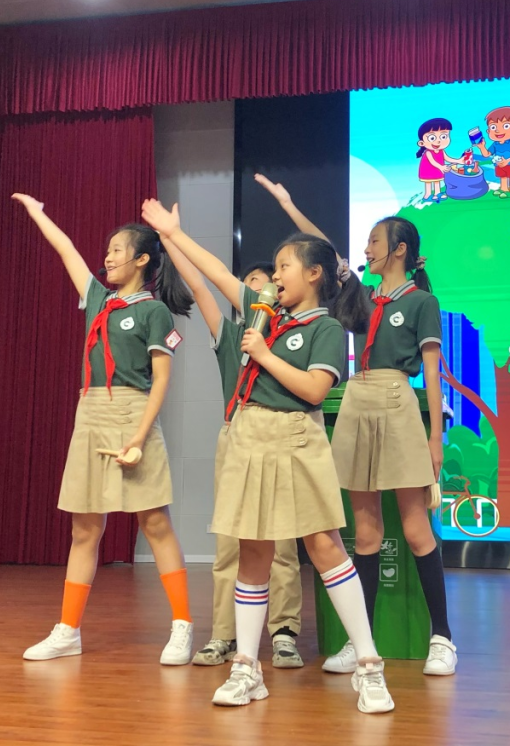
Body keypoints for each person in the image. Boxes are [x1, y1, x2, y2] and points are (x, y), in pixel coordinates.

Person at [141, 197, 394, 714]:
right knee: (252, 552)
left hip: (297, 438)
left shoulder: (325, 328)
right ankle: (246, 668)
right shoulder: (263, 315)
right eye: (274, 269)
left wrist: (262, 355)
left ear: (315, 274)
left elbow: (314, 389)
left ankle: (369, 665)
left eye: (284, 267)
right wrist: (172, 234)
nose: (274, 277)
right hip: (248, 437)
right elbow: (214, 274)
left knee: (324, 546)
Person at [12, 193, 195, 666]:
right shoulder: (97, 298)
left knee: (155, 523)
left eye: (117, 250)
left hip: (134, 414)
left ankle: (181, 626)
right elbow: (66, 250)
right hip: (90, 414)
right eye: (107, 250)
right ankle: (68, 630)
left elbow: (162, 380)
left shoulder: (154, 311)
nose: (108, 257)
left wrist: (140, 435)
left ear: (141, 259)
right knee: (84, 529)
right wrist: (38, 214)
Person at [159, 242, 305, 670]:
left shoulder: (289, 334)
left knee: (282, 543)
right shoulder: (229, 335)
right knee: (229, 542)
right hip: (235, 434)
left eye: (263, 283)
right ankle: (224, 633)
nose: (255, 290)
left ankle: (284, 632)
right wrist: (170, 238)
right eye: (248, 285)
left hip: (278, 432)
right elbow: (201, 286)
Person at [324, 215, 458, 677]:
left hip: (398, 400)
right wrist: (285, 202)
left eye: (374, 241)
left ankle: (442, 639)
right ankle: (360, 644)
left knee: (417, 529)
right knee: (365, 534)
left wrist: (435, 436)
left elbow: (433, 373)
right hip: (357, 400)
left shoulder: (422, 301)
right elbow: (326, 248)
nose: (366, 250)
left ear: (399, 249)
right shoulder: (362, 297)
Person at [475, 106, 510, 198]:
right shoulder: (495, 144)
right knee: (503, 177)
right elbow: (487, 154)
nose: (498, 130)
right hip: (499, 164)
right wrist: (482, 147)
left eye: (506, 126)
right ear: (488, 131)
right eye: (493, 127)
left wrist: (507, 161)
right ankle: (504, 189)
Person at [415, 118, 462, 204]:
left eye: (443, 136)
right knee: (428, 183)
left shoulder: (441, 151)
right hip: (428, 170)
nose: (438, 141)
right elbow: (432, 162)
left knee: (437, 181)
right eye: (432, 138)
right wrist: (441, 167)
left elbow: (448, 158)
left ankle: (437, 193)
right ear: (422, 143)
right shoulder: (428, 152)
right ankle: (427, 195)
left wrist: (459, 161)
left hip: (437, 170)